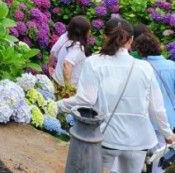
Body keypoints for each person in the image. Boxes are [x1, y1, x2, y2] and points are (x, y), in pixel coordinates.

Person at [58, 18, 174, 173]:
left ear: (104, 37)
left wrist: (57, 105)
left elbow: (86, 99)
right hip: (138, 141)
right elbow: (156, 108)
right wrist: (167, 135)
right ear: (131, 40)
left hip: (107, 137)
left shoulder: (93, 62)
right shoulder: (144, 68)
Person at [133, 32, 175, 173]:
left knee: (136, 161)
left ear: (139, 49)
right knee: (159, 162)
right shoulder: (172, 66)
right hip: (167, 121)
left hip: (143, 119)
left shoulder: (138, 68)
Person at [48, 16, 90, 91]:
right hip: (66, 88)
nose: (90, 32)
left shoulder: (65, 37)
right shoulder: (77, 48)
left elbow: (53, 51)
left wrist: (50, 66)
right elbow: (67, 65)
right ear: (83, 32)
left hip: (56, 82)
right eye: (88, 30)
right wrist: (69, 91)